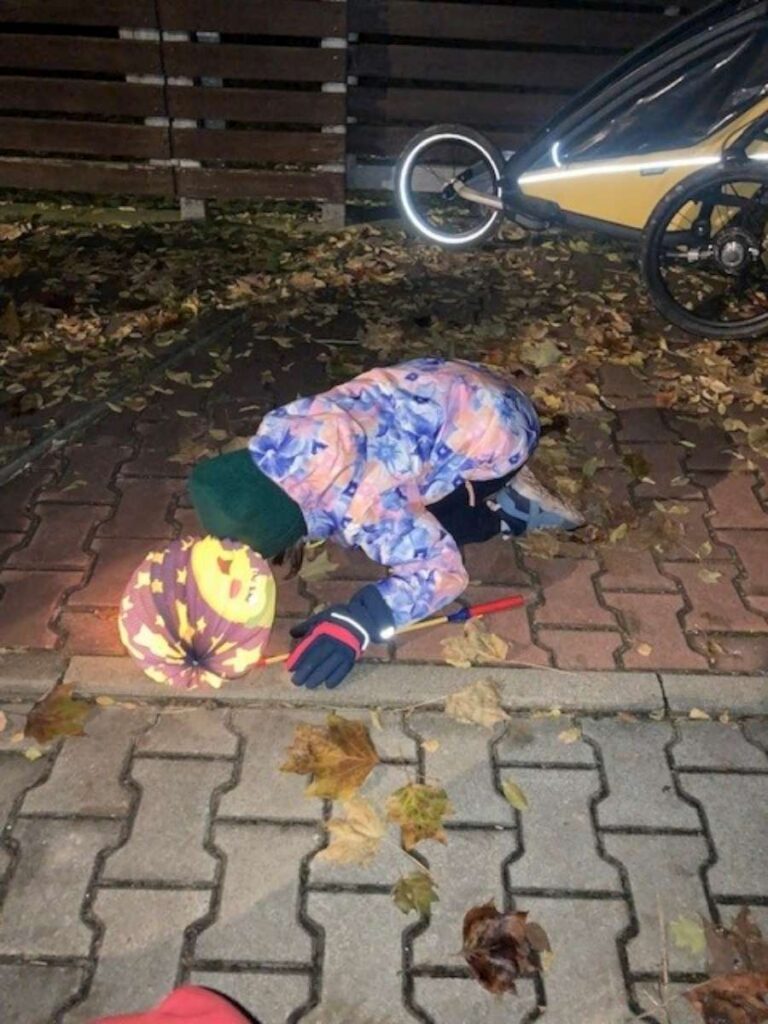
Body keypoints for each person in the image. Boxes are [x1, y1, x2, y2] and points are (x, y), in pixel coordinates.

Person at [189, 357, 581, 691]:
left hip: (506, 429)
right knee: (399, 481)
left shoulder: (367, 506)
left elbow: (439, 571)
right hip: (457, 381)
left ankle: (508, 509)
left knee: (446, 527)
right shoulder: (285, 431)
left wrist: (363, 620)